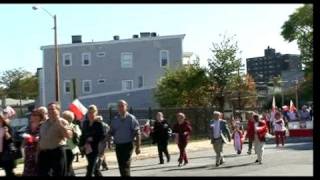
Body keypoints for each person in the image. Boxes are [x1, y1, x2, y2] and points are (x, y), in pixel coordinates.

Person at [38, 102, 73, 176]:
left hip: (57, 152)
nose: (50, 111)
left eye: (52, 109)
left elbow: (68, 136)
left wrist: (59, 123)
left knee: (59, 174)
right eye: (49, 109)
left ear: (58, 110)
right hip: (44, 153)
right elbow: (41, 139)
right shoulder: (43, 124)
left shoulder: (63, 122)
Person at [109, 100, 141, 177]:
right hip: (118, 145)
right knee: (121, 165)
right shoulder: (115, 119)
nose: (120, 108)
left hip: (128, 145)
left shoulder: (131, 118)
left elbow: (138, 133)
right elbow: (111, 132)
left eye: (122, 106)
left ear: (126, 107)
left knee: (125, 164)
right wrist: (109, 142)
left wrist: (138, 147)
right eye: (119, 106)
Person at [79, 105, 104, 177]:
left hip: (96, 148)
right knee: (95, 169)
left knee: (90, 168)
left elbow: (102, 135)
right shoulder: (85, 123)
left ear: (96, 113)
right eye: (89, 112)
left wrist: (93, 138)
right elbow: (83, 135)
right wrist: (81, 145)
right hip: (87, 148)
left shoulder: (98, 123)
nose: (91, 114)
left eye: (93, 112)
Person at [22, 109, 43, 176]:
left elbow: (42, 137)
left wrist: (35, 138)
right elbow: (25, 138)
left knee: (37, 170)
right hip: (28, 151)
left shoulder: (42, 125)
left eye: (35, 115)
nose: (33, 116)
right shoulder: (29, 126)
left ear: (40, 116)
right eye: (32, 115)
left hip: (38, 150)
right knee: (28, 171)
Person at [62, 110, 82, 176]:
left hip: (70, 149)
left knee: (67, 166)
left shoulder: (74, 127)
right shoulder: (62, 126)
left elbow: (79, 136)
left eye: (63, 117)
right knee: (68, 166)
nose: (61, 118)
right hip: (65, 149)